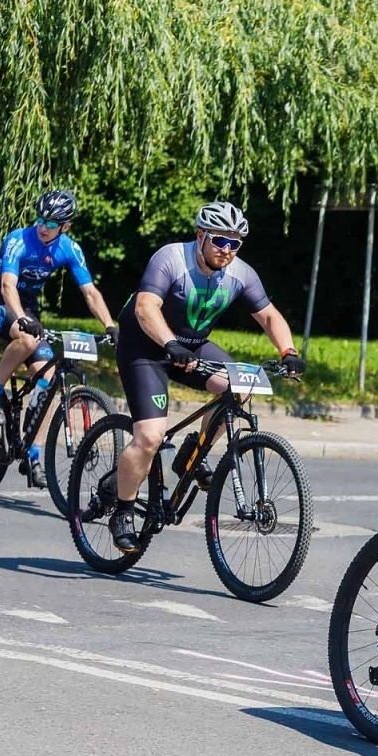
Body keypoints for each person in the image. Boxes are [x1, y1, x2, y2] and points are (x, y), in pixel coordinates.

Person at [107, 201, 304, 553]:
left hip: (192, 346)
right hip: (144, 348)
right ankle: (123, 511)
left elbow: (270, 316)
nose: (226, 250)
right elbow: (145, 307)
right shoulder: (171, 258)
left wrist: (288, 352)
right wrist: (169, 343)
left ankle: (192, 455)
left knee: (239, 389)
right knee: (150, 436)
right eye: (219, 241)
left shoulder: (241, 273)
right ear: (200, 236)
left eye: (234, 244)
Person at [0, 189, 118, 487]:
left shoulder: (69, 248)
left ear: (65, 226)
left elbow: (90, 292)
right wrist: (22, 319)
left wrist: (110, 326)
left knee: (50, 379)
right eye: (41, 218)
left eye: (52, 223)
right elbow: (6, 286)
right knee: (27, 339)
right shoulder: (18, 239)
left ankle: (33, 454)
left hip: (28, 308)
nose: (43, 226)